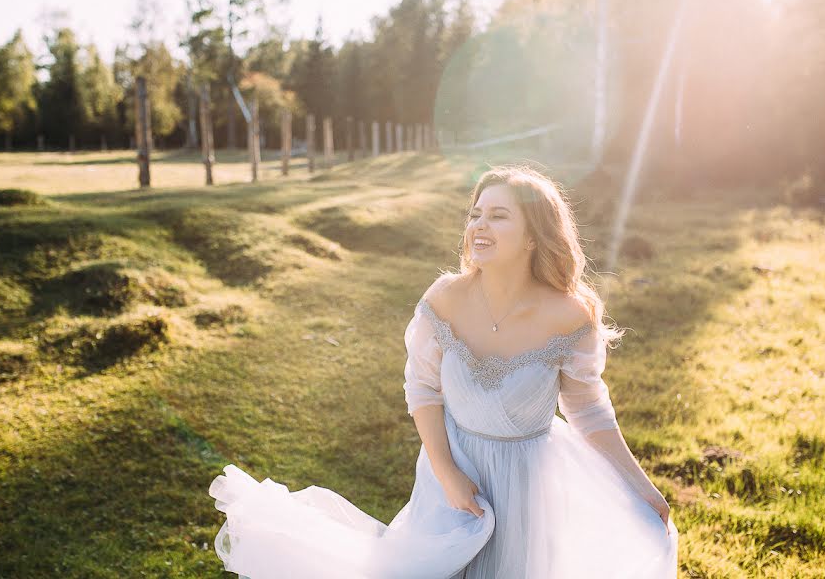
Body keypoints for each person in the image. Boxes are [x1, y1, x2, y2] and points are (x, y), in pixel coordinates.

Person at [209, 165, 680, 578]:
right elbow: (423, 388)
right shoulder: (445, 298)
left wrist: (644, 489)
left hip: (529, 484)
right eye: (476, 213)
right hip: (452, 472)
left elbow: (589, 411)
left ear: (534, 235)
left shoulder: (570, 315)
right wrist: (446, 471)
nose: (479, 224)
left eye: (499, 215)